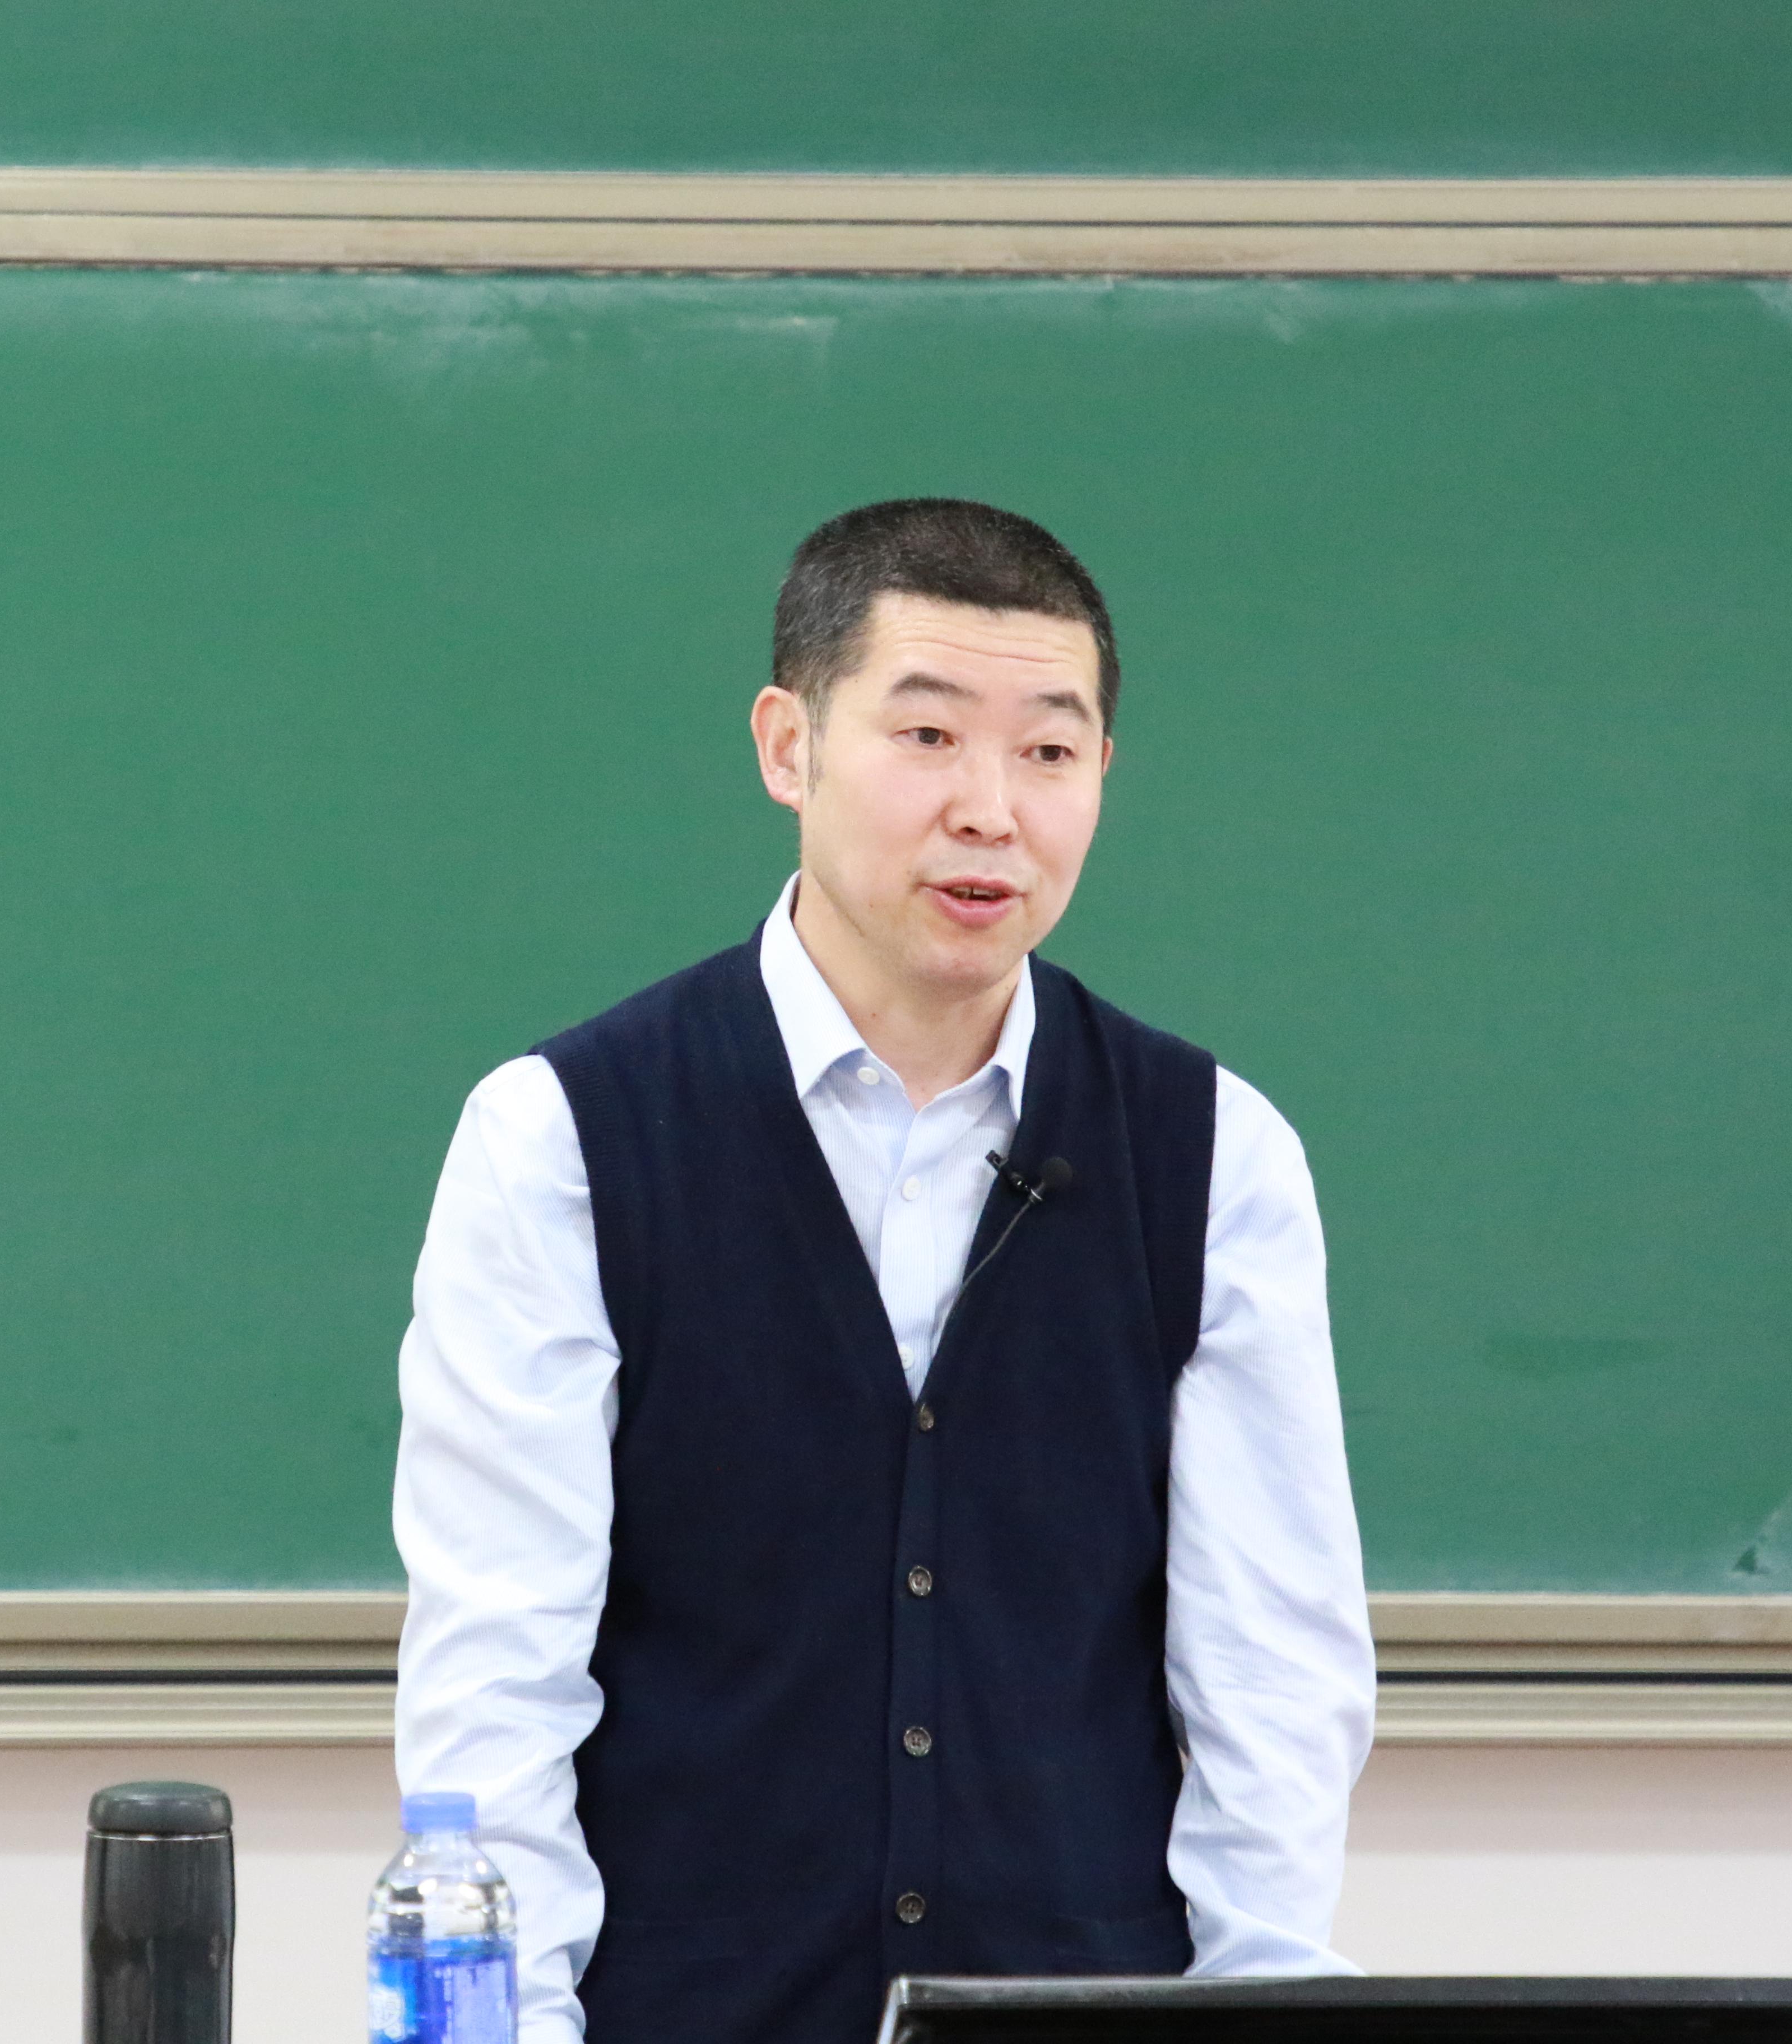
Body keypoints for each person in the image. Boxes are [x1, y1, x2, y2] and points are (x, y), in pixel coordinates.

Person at [393, 498, 1373, 2044]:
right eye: (927, 737)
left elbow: (1275, 1683)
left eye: (1049, 752)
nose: (991, 810)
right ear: (788, 746)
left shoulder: (1215, 1155)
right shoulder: (564, 1138)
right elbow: (496, 1679)